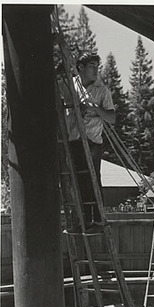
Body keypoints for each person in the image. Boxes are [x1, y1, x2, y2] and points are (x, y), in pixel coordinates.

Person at [59, 51, 115, 232]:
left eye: (97, 67)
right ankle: (80, 221)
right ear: (80, 68)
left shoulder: (101, 90)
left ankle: (97, 220)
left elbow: (112, 118)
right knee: (76, 180)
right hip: (73, 138)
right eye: (92, 67)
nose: (95, 71)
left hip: (92, 140)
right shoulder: (69, 84)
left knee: (91, 179)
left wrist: (94, 108)